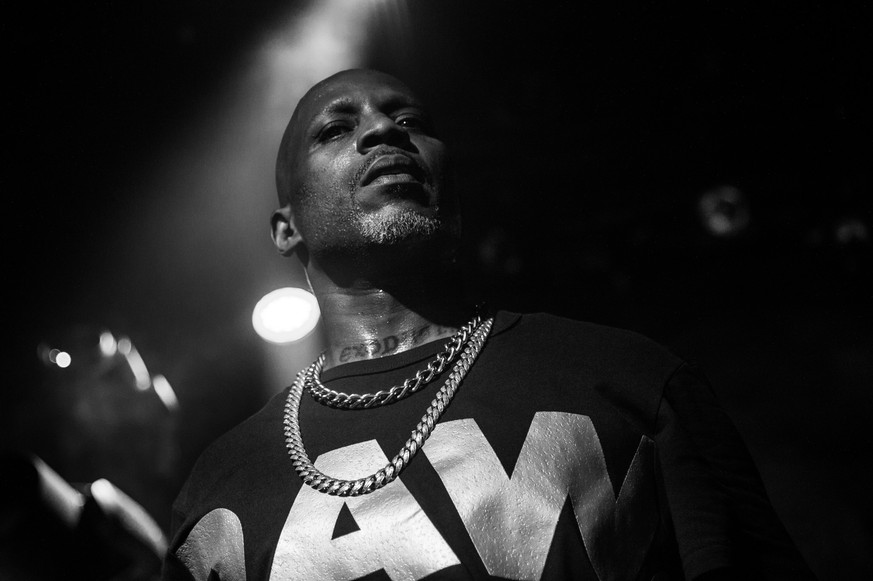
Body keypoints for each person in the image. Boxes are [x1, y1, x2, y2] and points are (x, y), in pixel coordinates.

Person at [161, 69, 816, 581]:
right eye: (334, 129)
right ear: (286, 227)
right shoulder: (217, 488)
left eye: (409, 120)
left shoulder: (627, 378)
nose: (384, 131)